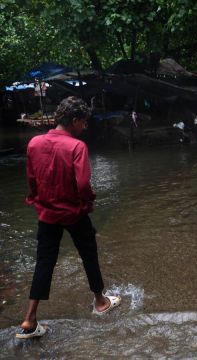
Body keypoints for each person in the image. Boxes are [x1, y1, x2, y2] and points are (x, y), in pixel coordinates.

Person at [17, 96, 121, 340]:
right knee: (88, 253)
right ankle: (100, 302)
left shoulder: (34, 143)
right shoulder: (76, 147)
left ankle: (29, 319)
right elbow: (83, 184)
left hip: (47, 212)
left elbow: (32, 179)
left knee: (44, 261)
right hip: (73, 212)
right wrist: (88, 202)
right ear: (75, 121)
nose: (84, 128)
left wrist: (37, 200)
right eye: (83, 123)